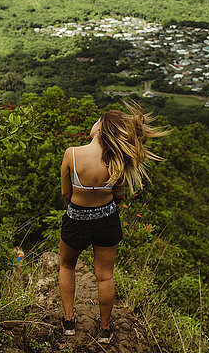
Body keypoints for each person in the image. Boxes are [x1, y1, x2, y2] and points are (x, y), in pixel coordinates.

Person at [58, 99, 171, 344]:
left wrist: (78, 211)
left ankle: (68, 323)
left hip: (76, 219)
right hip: (107, 221)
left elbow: (66, 194)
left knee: (67, 266)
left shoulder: (72, 154)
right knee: (105, 277)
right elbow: (119, 196)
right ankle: (106, 330)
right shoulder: (118, 161)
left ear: (100, 128)